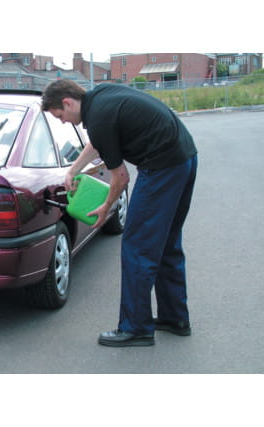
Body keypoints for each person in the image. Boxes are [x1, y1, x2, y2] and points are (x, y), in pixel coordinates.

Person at [42, 79, 198, 347]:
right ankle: (175, 317)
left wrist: (106, 208)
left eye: (60, 116)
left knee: (137, 247)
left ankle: (135, 327)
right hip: (184, 158)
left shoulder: (99, 118)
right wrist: (73, 170)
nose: (63, 122)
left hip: (161, 168)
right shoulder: (101, 97)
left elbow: (121, 177)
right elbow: (98, 143)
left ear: (67, 102)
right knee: (166, 242)